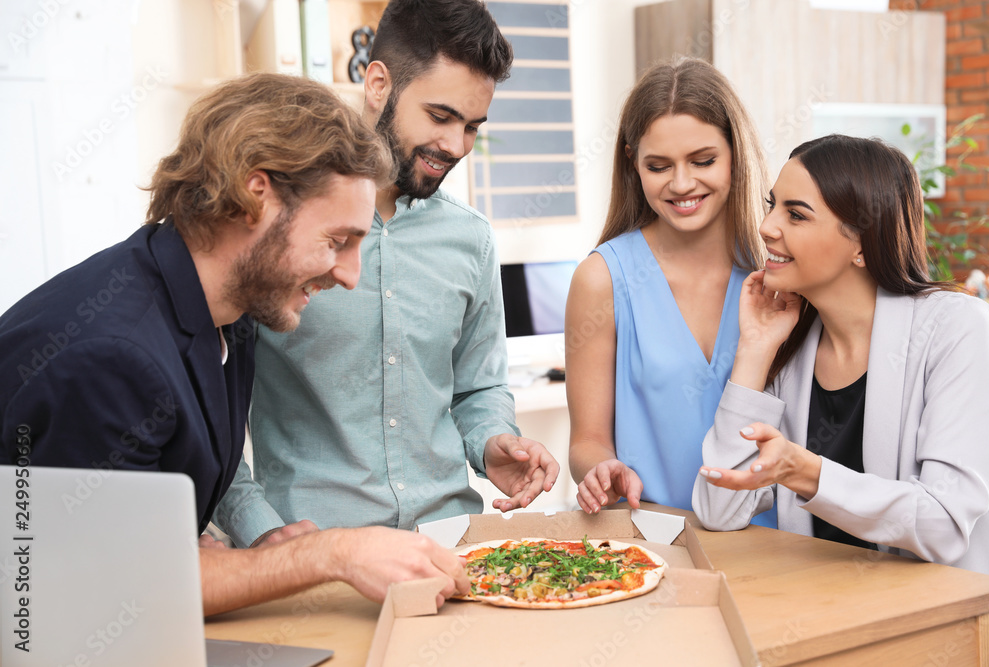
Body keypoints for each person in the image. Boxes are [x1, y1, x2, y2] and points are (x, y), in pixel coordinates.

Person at [0, 72, 470, 614]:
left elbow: (144, 543)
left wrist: (195, 552)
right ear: (256, 195)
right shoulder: (112, 353)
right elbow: (116, 587)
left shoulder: (232, 314)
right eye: (337, 241)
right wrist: (331, 552)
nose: (350, 276)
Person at [212, 0, 559, 548]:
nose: (456, 146)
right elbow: (214, 423)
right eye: (440, 116)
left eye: (472, 126)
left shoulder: (471, 239)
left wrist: (493, 442)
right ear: (378, 84)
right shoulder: (276, 230)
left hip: (452, 545)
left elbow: (480, 386)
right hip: (314, 553)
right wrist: (264, 534)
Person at [693, 135, 989, 576]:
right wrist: (755, 349)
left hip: (946, 622)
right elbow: (718, 509)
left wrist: (807, 472)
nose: (766, 226)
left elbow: (944, 524)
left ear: (860, 242)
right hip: (832, 610)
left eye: (796, 214)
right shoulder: (793, 346)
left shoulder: (954, 326)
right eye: (772, 204)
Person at [566, 57, 776, 527]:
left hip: (775, 544)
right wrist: (601, 469)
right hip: (650, 543)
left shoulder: (774, 272)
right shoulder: (602, 279)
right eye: (658, 166)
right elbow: (587, 440)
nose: (682, 184)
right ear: (632, 162)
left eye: (703, 161)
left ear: (735, 154)